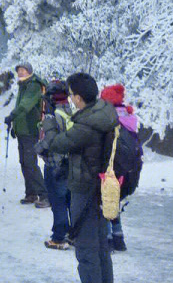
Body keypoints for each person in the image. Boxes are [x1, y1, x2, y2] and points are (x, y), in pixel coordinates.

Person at [38, 72, 120, 283]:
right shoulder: (102, 113)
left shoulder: (87, 127)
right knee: (101, 249)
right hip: (98, 190)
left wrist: (48, 120)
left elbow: (56, 143)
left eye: (72, 94)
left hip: (85, 191)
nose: (71, 98)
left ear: (79, 98)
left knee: (86, 251)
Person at [5, 62, 48, 206]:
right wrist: (15, 126)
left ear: (29, 71)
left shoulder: (33, 85)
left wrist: (12, 116)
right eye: (19, 70)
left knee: (30, 163)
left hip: (30, 130)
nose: (20, 73)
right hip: (23, 130)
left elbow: (25, 105)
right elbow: (21, 107)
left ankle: (44, 195)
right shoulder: (23, 85)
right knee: (24, 162)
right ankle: (31, 193)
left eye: (23, 70)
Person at [100, 84, 137, 252]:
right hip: (129, 170)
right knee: (115, 203)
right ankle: (119, 238)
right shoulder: (128, 117)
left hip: (111, 168)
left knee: (105, 202)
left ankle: (107, 240)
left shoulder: (109, 121)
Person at [40, 79, 74, 249]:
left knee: (57, 200)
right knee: (70, 200)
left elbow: (49, 141)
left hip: (54, 163)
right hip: (70, 162)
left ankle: (59, 237)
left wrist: (38, 148)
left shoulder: (52, 114)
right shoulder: (70, 110)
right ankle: (74, 234)